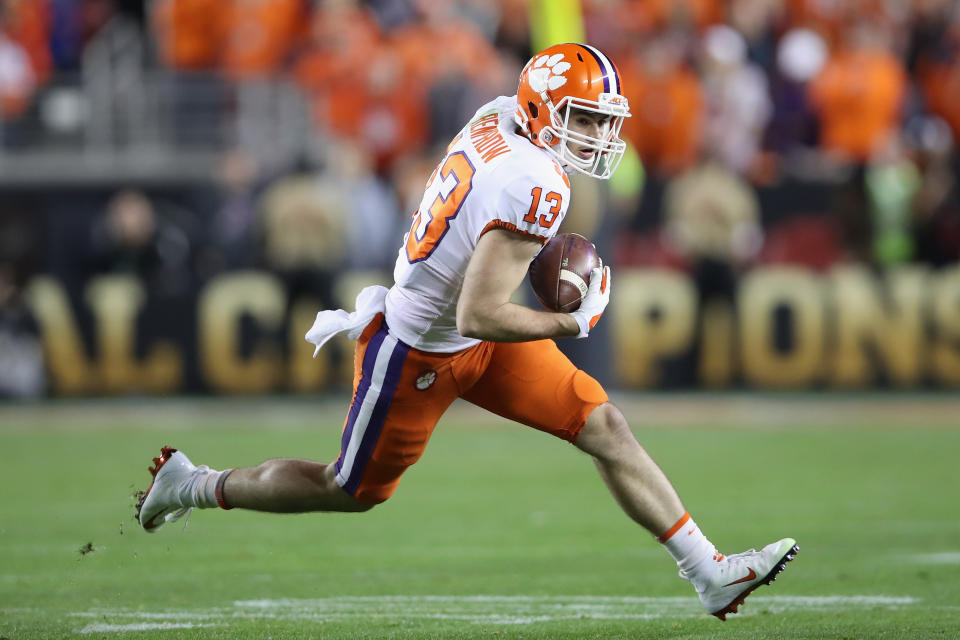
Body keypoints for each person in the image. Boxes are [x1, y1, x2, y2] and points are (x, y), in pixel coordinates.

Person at [135, 43, 797, 621]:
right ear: (542, 111)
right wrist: (571, 319)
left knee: (604, 426)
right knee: (348, 489)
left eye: (602, 121)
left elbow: (481, 264)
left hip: (471, 335)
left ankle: (707, 571)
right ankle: (192, 484)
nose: (596, 136)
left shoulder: (498, 115)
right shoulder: (535, 182)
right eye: (583, 119)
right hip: (420, 348)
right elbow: (477, 314)